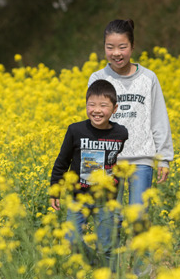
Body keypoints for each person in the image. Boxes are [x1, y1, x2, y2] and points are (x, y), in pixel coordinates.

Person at [88, 19, 174, 206]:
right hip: (108, 161)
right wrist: (91, 165)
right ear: (104, 47)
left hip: (141, 160)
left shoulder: (148, 78)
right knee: (111, 218)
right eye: (110, 47)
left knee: (138, 218)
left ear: (133, 46)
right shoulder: (97, 78)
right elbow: (92, 122)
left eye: (122, 47)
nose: (116, 53)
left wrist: (164, 159)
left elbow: (158, 119)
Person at [50, 79, 128, 267]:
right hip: (79, 198)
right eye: (91, 105)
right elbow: (62, 162)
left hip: (106, 200)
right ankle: (96, 264)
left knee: (107, 246)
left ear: (115, 108)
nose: (96, 110)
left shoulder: (121, 133)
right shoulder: (75, 130)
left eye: (103, 105)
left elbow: (125, 163)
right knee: (70, 239)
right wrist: (55, 190)